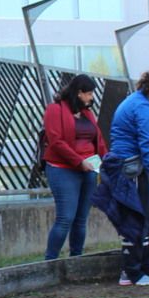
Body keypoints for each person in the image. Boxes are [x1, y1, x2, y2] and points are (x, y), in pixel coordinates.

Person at [91, 68, 149, 286]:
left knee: (145, 219)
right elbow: (147, 147)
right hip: (131, 169)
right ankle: (133, 272)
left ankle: (146, 267)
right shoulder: (142, 108)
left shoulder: (132, 102)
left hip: (122, 167)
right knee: (139, 220)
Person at [41, 74, 108, 262]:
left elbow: (98, 140)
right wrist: (79, 161)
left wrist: (106, 161)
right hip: (63, 169)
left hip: (89, 169)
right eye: (89, 93)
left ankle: (76, 259)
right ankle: (50, 261)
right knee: (65, 218)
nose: (91, 97)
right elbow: (56, 141)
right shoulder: (55, 110)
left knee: (81, 219)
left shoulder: (87, 113)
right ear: (78, 93)